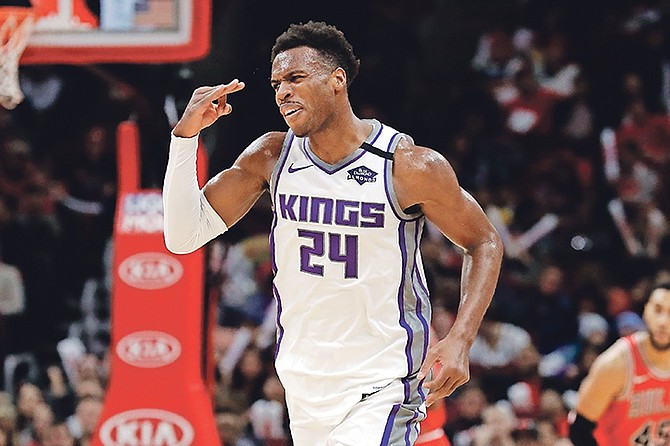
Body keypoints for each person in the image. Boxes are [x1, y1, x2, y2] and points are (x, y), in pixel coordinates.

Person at [163, 21, 503, 445]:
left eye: (296, 78)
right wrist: (185, 136)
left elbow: (483, 240)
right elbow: (182, 235)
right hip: (303, 385)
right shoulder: (271, 156)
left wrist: (461, 339)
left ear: (337, 80)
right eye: (276, 84)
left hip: (383, 383)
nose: (282, 91)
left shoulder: (408, 166)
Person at [569, 282, 670, 445]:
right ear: (645, 310)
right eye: (658, 310)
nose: (663, 322)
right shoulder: (617, 363)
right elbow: (579, 429)